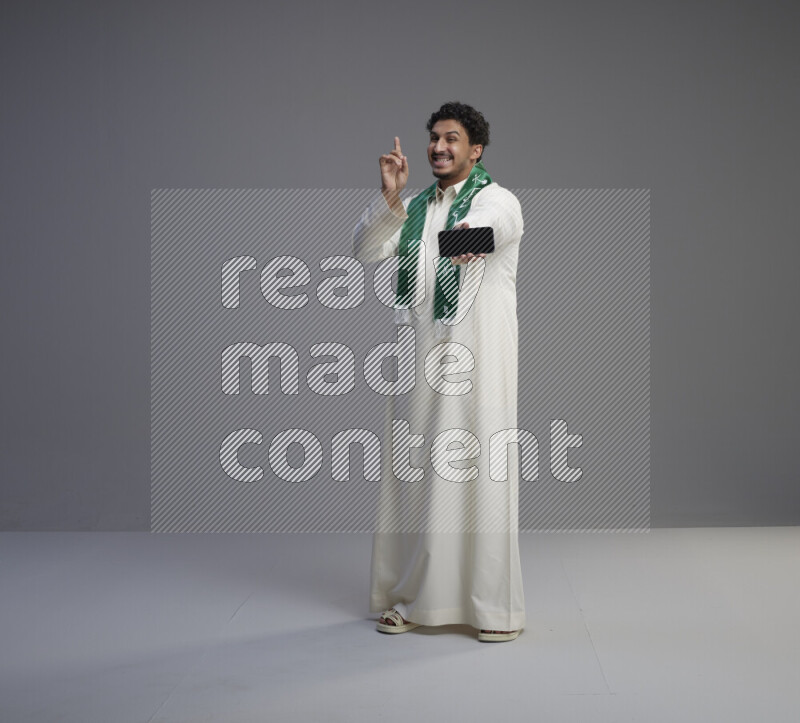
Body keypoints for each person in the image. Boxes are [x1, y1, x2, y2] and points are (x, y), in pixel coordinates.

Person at [352, 102, 526, 642]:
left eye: (452, 138)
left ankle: (491, 609)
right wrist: (389, 198)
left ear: (476, 150)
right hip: (419, 359)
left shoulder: (499, 200)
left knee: (480, 473)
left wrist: (458, 236)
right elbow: (365, 249)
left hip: (479, 358)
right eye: (434, 137)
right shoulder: (412, 208)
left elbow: (480, 234)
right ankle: (412, 597)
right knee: (417, 476)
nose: (438, 147)